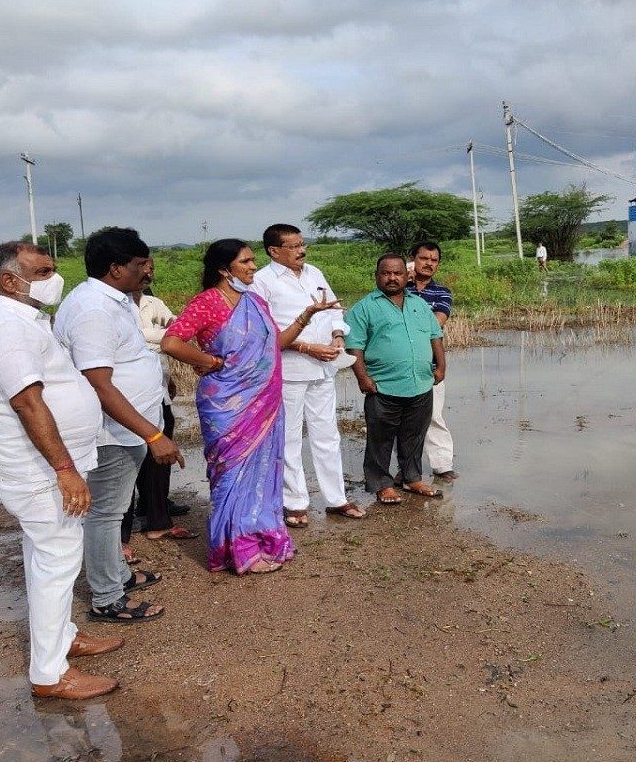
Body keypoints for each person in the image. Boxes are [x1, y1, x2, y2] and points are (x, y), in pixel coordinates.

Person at [0, 241, 121, 700]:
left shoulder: (26, 318)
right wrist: (65, 469)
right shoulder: (4, 328)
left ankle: (64, 634)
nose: (55, 277)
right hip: (40, 469)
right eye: (44, 270)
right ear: (10, 280)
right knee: (57, 559)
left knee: (47, 556)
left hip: (50, 463)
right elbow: (28, 403)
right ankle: (50, 673)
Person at [160, 239, 338, 574]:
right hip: (226, 404)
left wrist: (307, 315)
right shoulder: (206, 303)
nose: (253, 267)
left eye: (253, 261)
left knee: (263, 472)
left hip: (265, 401)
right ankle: (237, 548)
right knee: (231, 475)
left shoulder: (255, 301)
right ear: (224, 270)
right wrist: (209, 360)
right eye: (246, 262)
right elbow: (172, 342)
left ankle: (263, 539)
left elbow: (275, 344)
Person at [54, 228, 177, 623]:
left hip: (129, 428)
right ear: (115, 268)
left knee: (115, 507)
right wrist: (153, 434)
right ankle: (107, 597)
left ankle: (118, 576)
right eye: (140, 265)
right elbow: (99, 384)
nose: (148, 271)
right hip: (113, 432)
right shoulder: (94, 310)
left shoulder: (115, 300)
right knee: (106, 513)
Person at [251, 224, 365, 528]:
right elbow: (265, 332)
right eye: (293, 246)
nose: (301, 250)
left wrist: (338, 335)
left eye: (303, 244)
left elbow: (333, 310)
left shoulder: (314, 272)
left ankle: (336, 498)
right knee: (288, 438)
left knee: (327, 434)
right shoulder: (262, 282)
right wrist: (307, 347)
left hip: (324, 368)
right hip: (288, 372)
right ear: (274, 251)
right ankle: (295, 502)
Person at [345, 254, 446, 505]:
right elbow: (354, 346)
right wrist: (362, 378)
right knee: (380, 439)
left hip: (420, 383)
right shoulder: (364, 307)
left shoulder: (420, 305)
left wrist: (441, 366)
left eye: (397, 273)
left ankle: (411, 478)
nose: (392, 278)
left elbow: (435, 335)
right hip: (383, 386)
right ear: (377, 276)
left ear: (406, 276)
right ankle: (381, 484)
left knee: (414, 436)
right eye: (386, 273)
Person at [119, 280, 195, 563]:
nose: (147, 272)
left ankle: (158, 522)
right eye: (140, 266)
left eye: (149, 267)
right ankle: (120, 537)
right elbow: (143, 338)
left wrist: (159, 337)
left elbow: (177, 334)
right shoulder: (111, 305)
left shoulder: (154, 302)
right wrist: (160, 337)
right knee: (125, 465)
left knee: (160, 461)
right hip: (123, 400)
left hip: (158, 392)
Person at [406, 241, 457, 480]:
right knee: (400, 422)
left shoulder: (442, 292)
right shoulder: (397, 287)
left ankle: (442, 465)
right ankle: (403, 469)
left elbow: (436, 322)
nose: (428, 263)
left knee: (433, 416)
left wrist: (405, 323)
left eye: (433, 260)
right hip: (399, 364)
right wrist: (404, 283)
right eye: (423, 258)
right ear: (412, 259)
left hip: (430, 364)